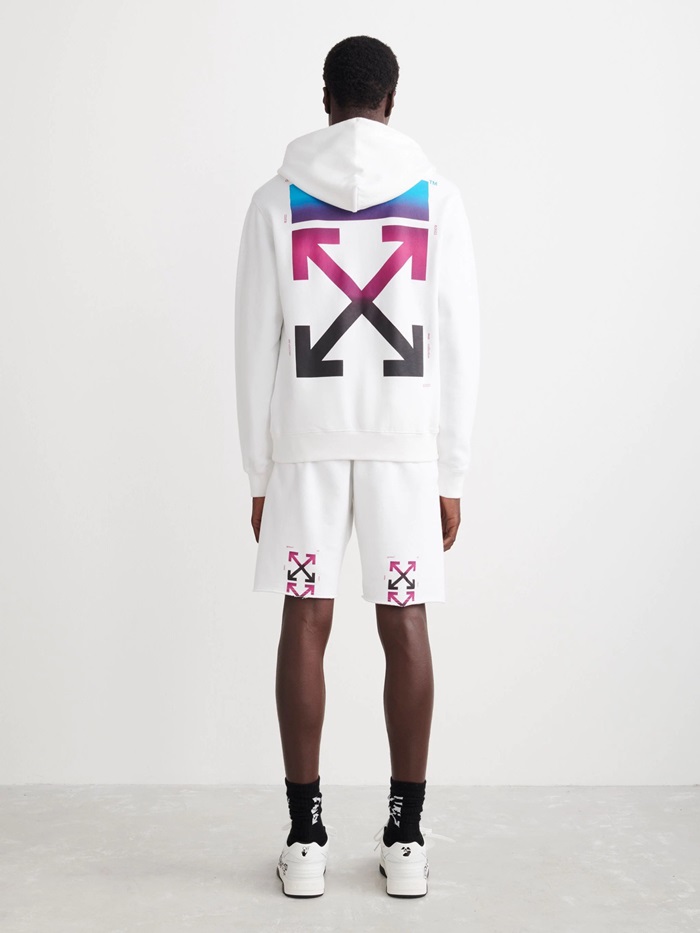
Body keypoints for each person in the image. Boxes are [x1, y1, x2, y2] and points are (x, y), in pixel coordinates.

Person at [234, 35, 480, 898]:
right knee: (404, 620)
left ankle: (305, 839)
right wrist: (452, 470)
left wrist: (258, 473)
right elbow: (458, 341)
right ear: (391, 100)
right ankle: (406, 838)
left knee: (306, 617)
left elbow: (252, 344)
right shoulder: (436, 199)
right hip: (404, 445)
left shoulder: (276, 200)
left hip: (305, 439)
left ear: (326, 97)